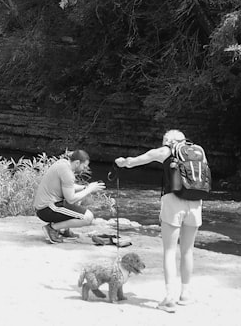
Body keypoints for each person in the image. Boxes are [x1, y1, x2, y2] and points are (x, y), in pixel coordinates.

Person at [116, 129, 201, 313]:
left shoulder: (166, 150)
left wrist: (124, 162)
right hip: (195, 203)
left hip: (173, 201)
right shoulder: (197, 151)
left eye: (164, 140)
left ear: (168, 140)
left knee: (169, 251)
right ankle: (185, 294)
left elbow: (137, 160)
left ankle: (170, 297)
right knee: (187, 251)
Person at [33, 149, 105, 244]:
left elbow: (68, 187)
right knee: (88, 217)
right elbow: (70, 199)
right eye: (84, 166)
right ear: (77, 163)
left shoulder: (63, 164)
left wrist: (85, 187)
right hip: (47, 208)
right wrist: (89, 190)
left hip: (46, 207)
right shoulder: (68, 173)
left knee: (77, 202)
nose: (85, 169)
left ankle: (63, 230)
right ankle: (51, 229)